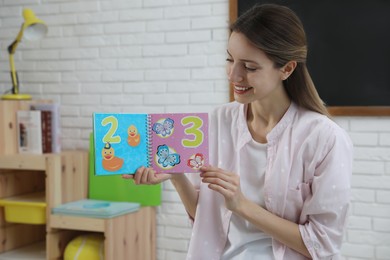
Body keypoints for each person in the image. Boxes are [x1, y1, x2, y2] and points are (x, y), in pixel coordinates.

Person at [122, 3, 353, 260]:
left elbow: (322, 244)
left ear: (286, 69)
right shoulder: (218, 121)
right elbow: (205, 219)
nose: (233, 75)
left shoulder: (324, 138)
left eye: (250, 67)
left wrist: (241, 205)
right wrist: (177, 176)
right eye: (230, 60)